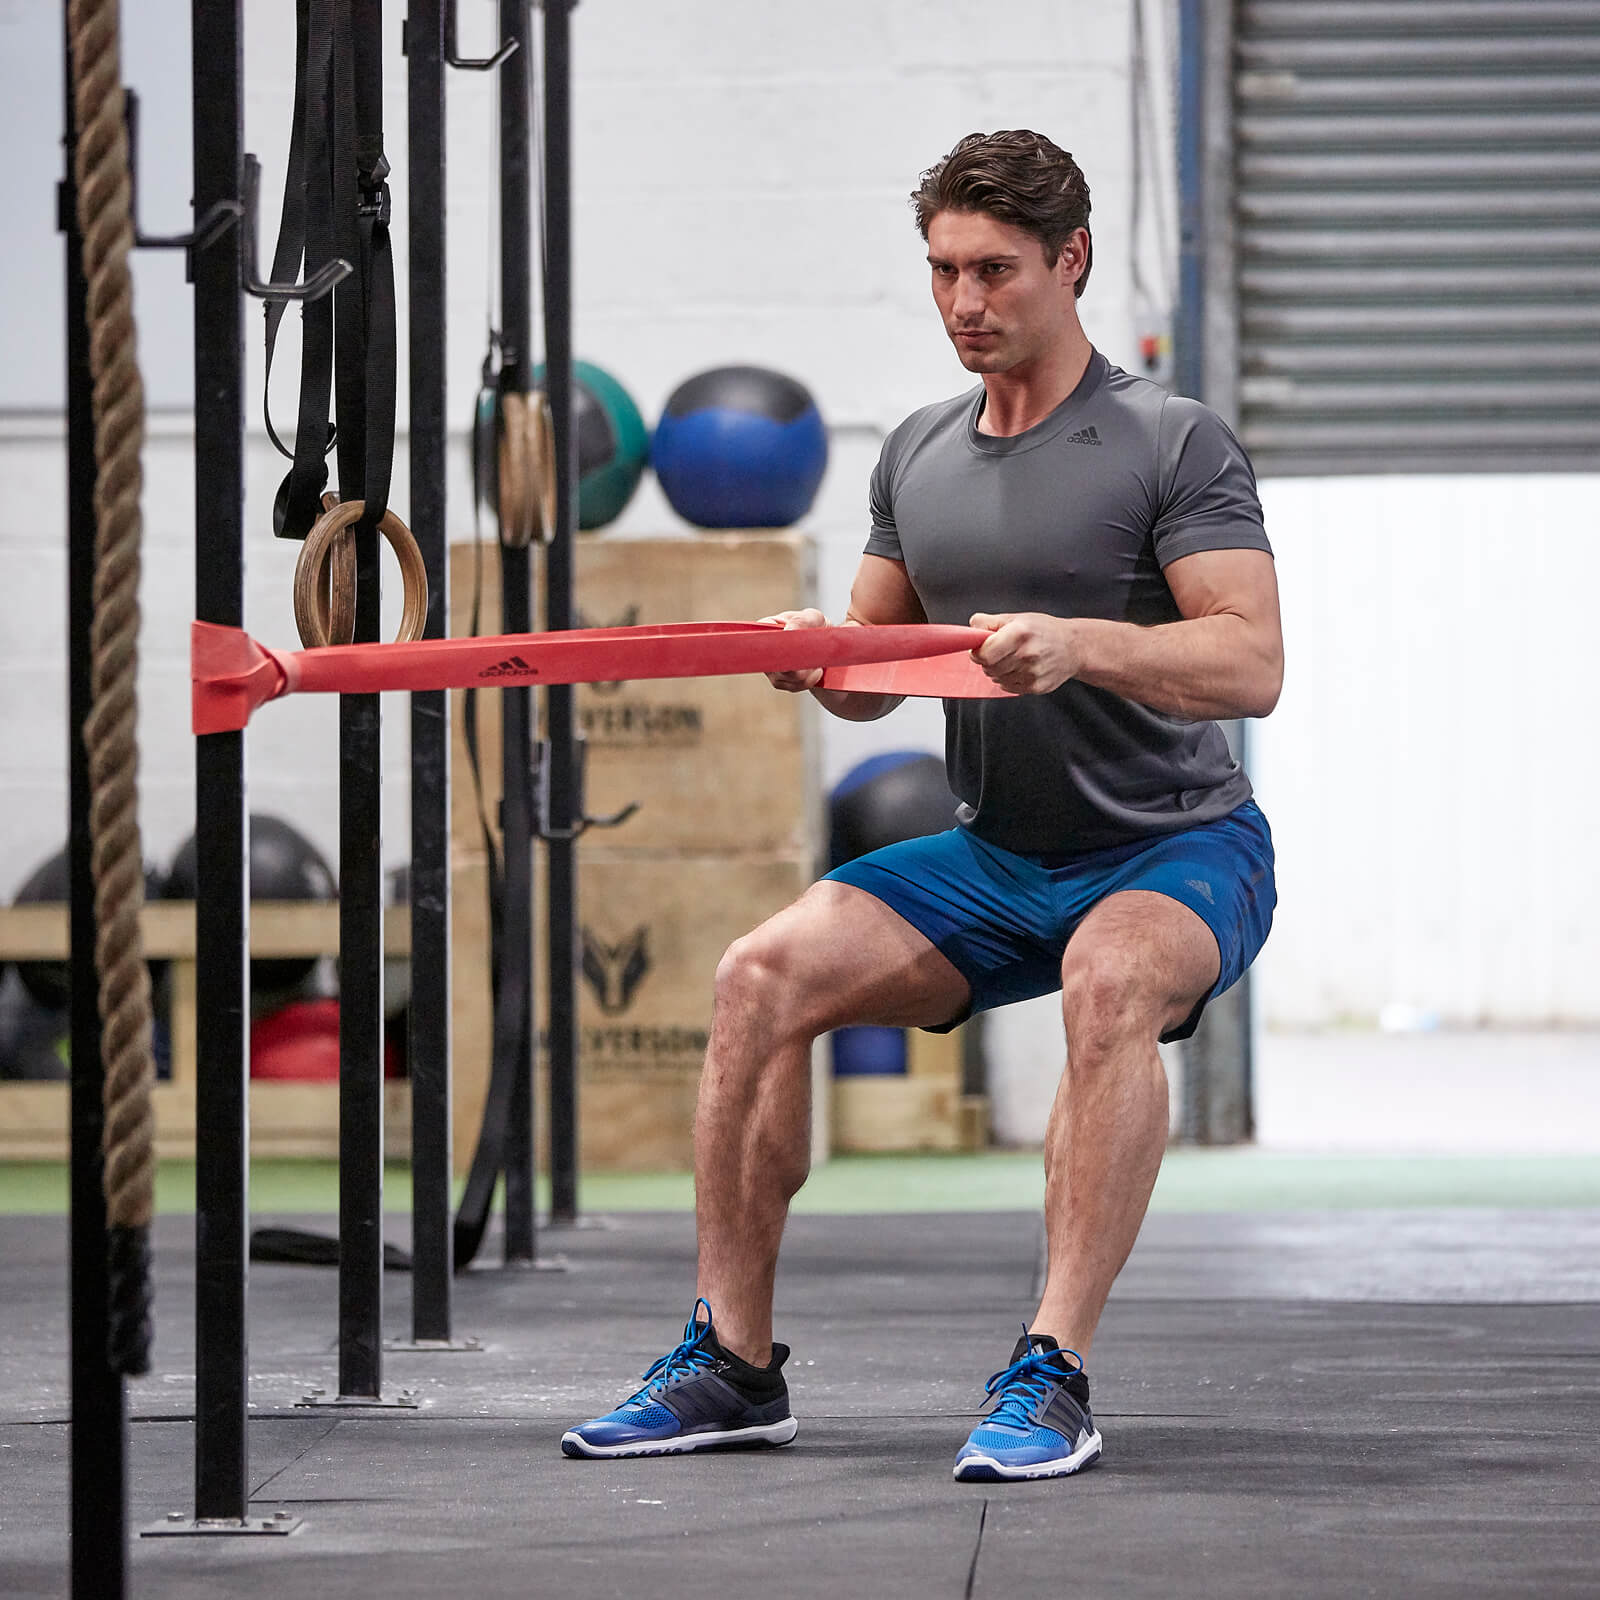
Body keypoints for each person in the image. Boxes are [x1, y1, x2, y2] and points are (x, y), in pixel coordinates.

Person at [562, 130, 1282, 1482]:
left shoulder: (1171, 441)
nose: (964, 301)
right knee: (758, 976)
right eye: (945, 270)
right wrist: (815, 656)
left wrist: (1083, 645)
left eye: (995, 270)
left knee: (1110, 982)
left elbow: (1252, 665)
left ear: (1071, 259)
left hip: (1177, 847)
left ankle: (1052, 1370)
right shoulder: (917, 452)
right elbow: (870, 676)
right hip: (997, 857)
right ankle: (732, 1362)